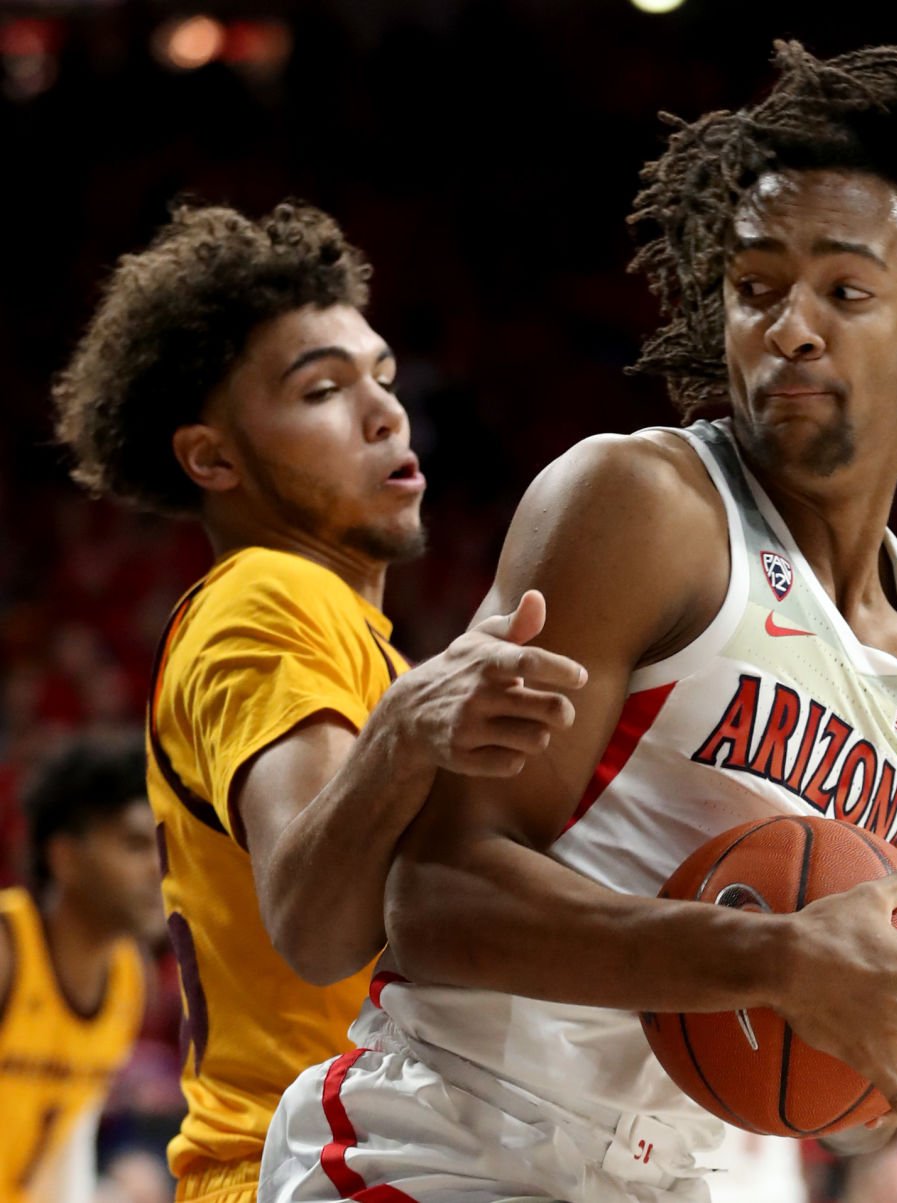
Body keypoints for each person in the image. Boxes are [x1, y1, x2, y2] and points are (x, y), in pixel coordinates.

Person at [261, 39, 897, 1203]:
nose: (789, 326)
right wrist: (769, 957)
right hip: (454, 1138)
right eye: (755, 288)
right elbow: (435, 898)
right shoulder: (639, 508)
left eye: (845, 293)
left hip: (688, 1173)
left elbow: (869, 1043)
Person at [51, 201, 587, 1203]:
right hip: (310, 1168)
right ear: (213, 458)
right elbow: (313, 918)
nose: (385, 412)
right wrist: (402, 740)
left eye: (382, 378)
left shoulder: (345, 635)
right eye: (322, 390)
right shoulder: (269, 597)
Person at [1, 737, 159, 1203]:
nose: (158, 868)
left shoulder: (130, 976)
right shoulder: (7, 950)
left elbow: (65, 1145)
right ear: (65, 857)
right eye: (134, 845)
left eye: (161, 845)